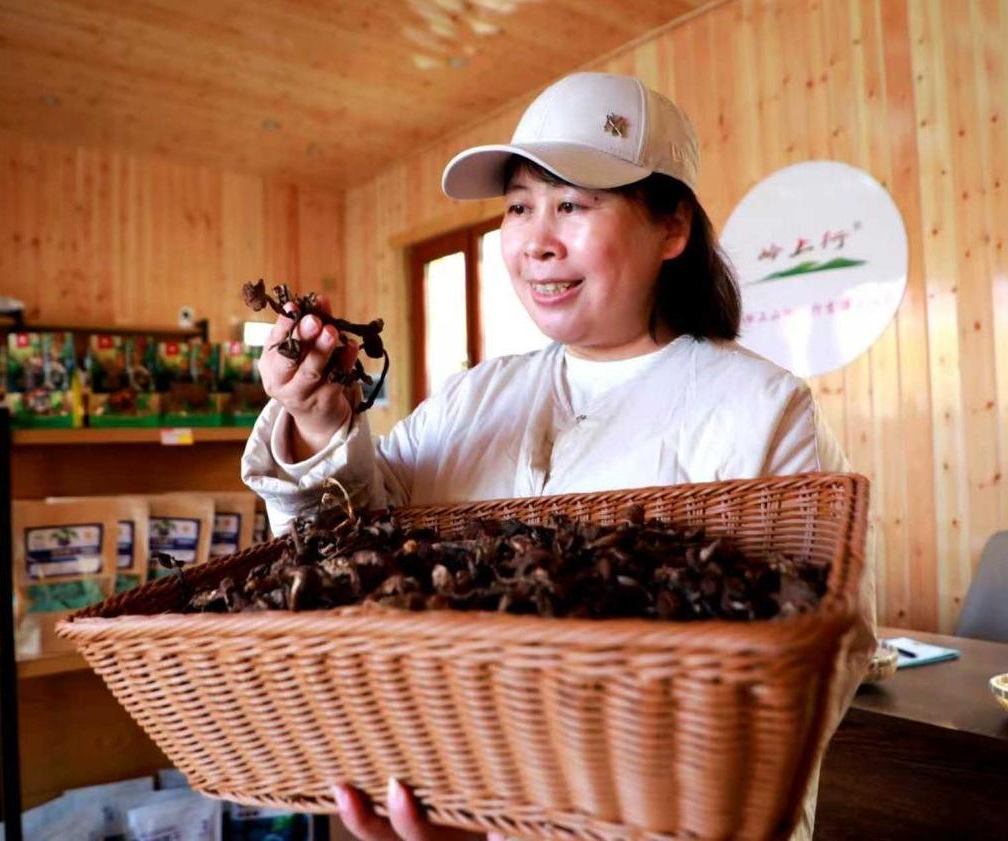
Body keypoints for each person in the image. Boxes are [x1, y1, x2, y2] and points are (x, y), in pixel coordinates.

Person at [243, 71, 877, 841]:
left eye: (572, 204)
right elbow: (335, 558)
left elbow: (814, 666)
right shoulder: (471, 397)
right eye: (518, 207)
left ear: (671, 227)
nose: (536, 240)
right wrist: (316, 417)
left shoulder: (762, 409)